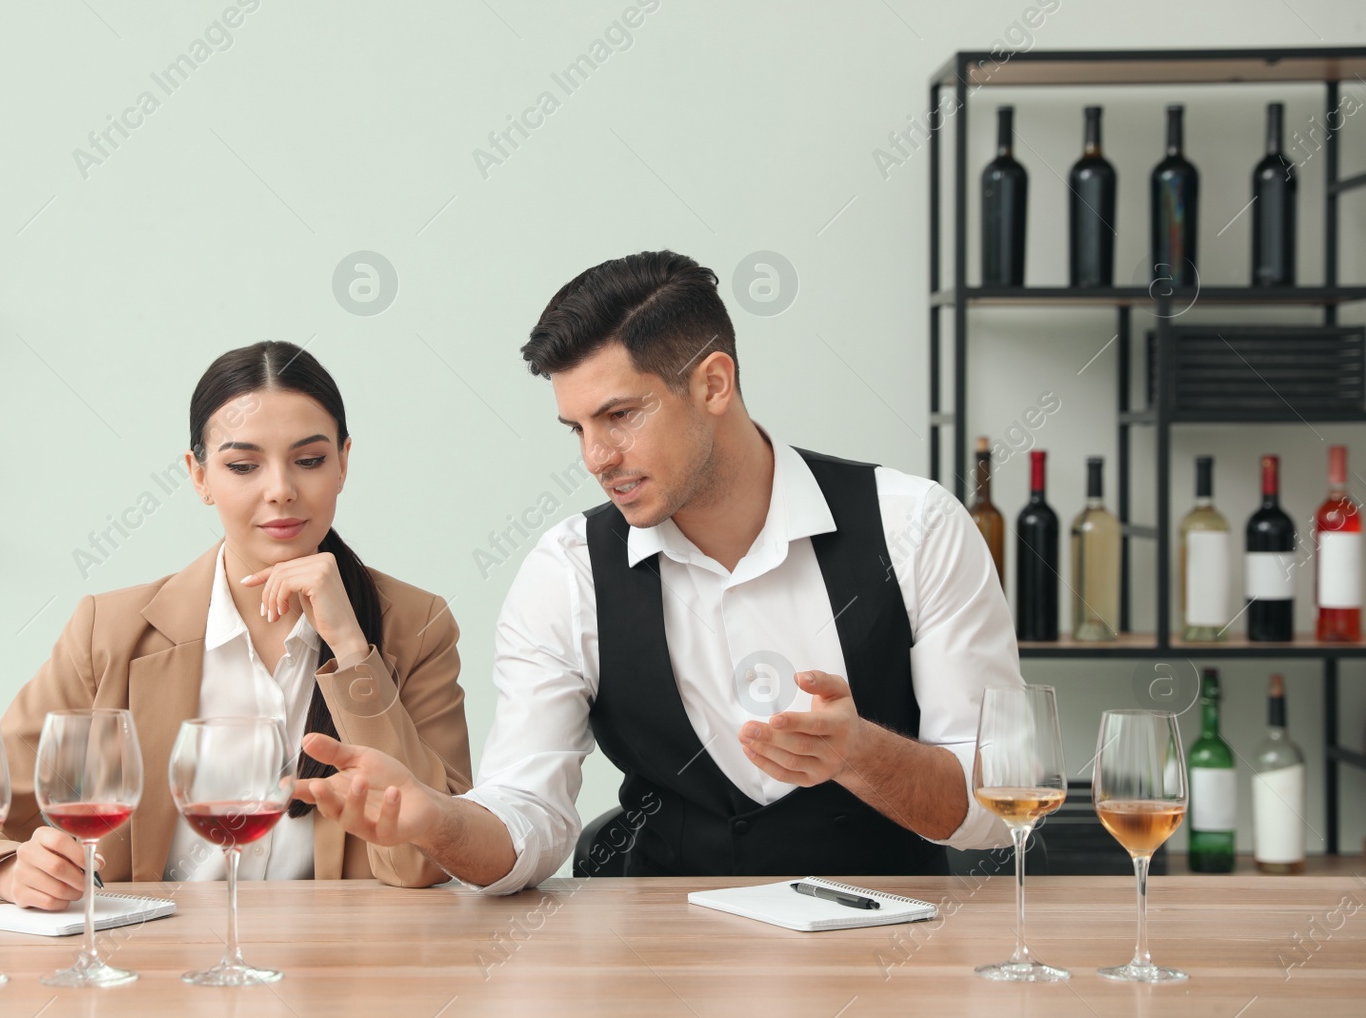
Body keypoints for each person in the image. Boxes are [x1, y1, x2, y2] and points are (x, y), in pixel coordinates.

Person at [291, 250, 1021, 891]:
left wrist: (861, 753)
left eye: (620, 415)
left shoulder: (916, 526)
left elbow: (998, 805)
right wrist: (437, 820)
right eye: (577, 428)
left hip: (894, 949)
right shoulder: (567, 572)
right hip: (658, 959)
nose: (595, 458)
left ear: (712, 383)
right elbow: (529, 818)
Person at [0, 341, 471, 907]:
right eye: (242, 465)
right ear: (198, 477)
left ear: (344, 463)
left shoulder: (416, 626)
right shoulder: (109, 633)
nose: (280, 491)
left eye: (310, 460)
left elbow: (433, 858)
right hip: (152, 973)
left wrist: (352, 651)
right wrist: (9, 872)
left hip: (334, 980)